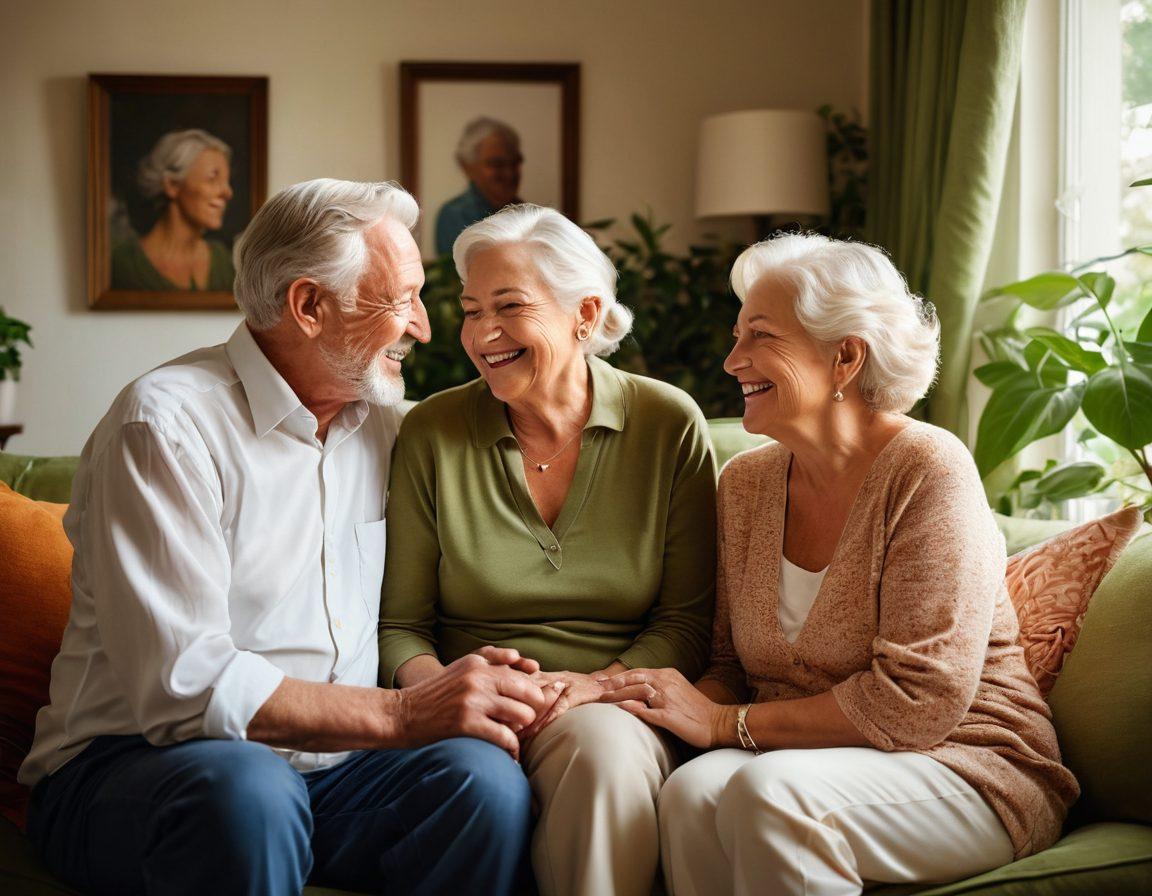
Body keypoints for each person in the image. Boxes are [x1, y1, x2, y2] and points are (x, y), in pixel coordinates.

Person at [20, 179, 547, 896]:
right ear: (308, 306)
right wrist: (404, 712)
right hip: (134, 767)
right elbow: (184, 688)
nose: (424, 327)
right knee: (249, 791)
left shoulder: (393, 428)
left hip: (335, 770)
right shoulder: (166, 426)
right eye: (400, 301)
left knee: (484, 783)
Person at [598, 234, 1080, 896]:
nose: (732, 360)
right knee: (690, 793)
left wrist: (721, 725)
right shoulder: (745, 484)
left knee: (773, 795)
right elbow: (730, 671)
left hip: (968, 764)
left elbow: (917, 703)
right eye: (737, 336)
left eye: (759, 337)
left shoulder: (927, 471)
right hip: (809, 761)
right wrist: (621, 696)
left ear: (845, 356)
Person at [380, 204, 716, 896]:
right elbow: (399, 626)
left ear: (584, 314)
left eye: (509, 306)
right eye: (471, 310)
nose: (482, 334)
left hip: (614, 703)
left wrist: (593, 687)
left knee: (602, 751)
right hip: (471, 707)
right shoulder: (431, 431)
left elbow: (687, 621)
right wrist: (448, 697)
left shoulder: (667, 424)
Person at [111, 129, 237, 291]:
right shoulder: (123, 264)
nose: (228, 192)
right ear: (172, 185)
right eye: (213, 178)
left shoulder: (224, 263)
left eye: (227, 181)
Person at [434, 117, 523, 255]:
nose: (509, 173)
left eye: (515, 163)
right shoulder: (455, 215)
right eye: (497, 164)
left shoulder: (527, 212)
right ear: (467, 167)